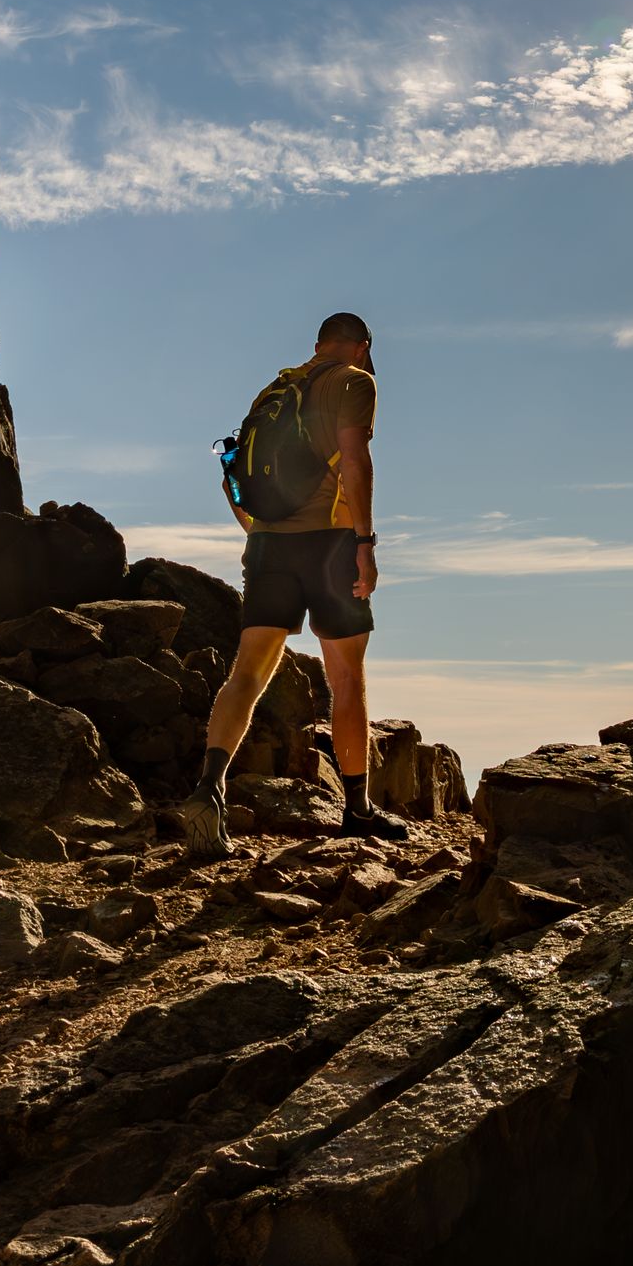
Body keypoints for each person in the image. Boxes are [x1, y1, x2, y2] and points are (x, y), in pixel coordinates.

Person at [177, 311, 412, 862]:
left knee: (248, 673)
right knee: (346, 678)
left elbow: (234, 475)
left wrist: (260, 534)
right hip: (329, 544)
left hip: (267, 547)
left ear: (317, 344)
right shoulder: (355, 382)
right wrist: (365, 543)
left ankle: (208, 788)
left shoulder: (273, 391)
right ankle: (357, 810)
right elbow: (356, 459)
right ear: (361, 346)